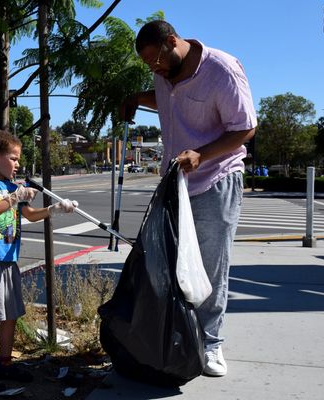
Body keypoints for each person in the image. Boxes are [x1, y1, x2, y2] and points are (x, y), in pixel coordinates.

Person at [120, 20, 257, 377]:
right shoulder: (163, 74)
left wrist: (202, 154)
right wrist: (136, 98)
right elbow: (167, 99)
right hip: (174, 183)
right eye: (149, 65)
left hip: (216, 178)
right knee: (168, 263)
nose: (155, 68)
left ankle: (210, 344)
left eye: (156, 60)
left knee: (211, 265)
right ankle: (175, 334)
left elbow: (245, 127)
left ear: (171, 42)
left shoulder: (221, 70)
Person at [0, 130, 78, 391]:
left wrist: (54, 209)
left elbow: (29, 215)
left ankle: (4, 363)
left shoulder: (11, 187)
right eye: (14, 158)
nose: (18, 164)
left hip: (9, 260)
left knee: (11, 316)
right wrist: (14, 197)